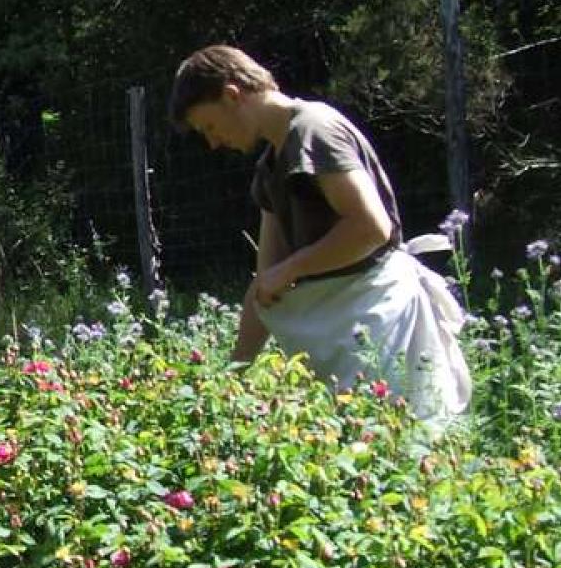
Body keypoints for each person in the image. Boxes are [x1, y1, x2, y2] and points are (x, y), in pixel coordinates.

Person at [168, 44, 470, 423]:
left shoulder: (314, 129)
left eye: (209, 127)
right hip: (348, 338)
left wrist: (291, 270)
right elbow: (266, 285)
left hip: (383, 323)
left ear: (232, 95)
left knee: (408, 441)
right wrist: (230, 383)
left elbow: (372, 228)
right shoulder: (269, 169)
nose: (212, 143)